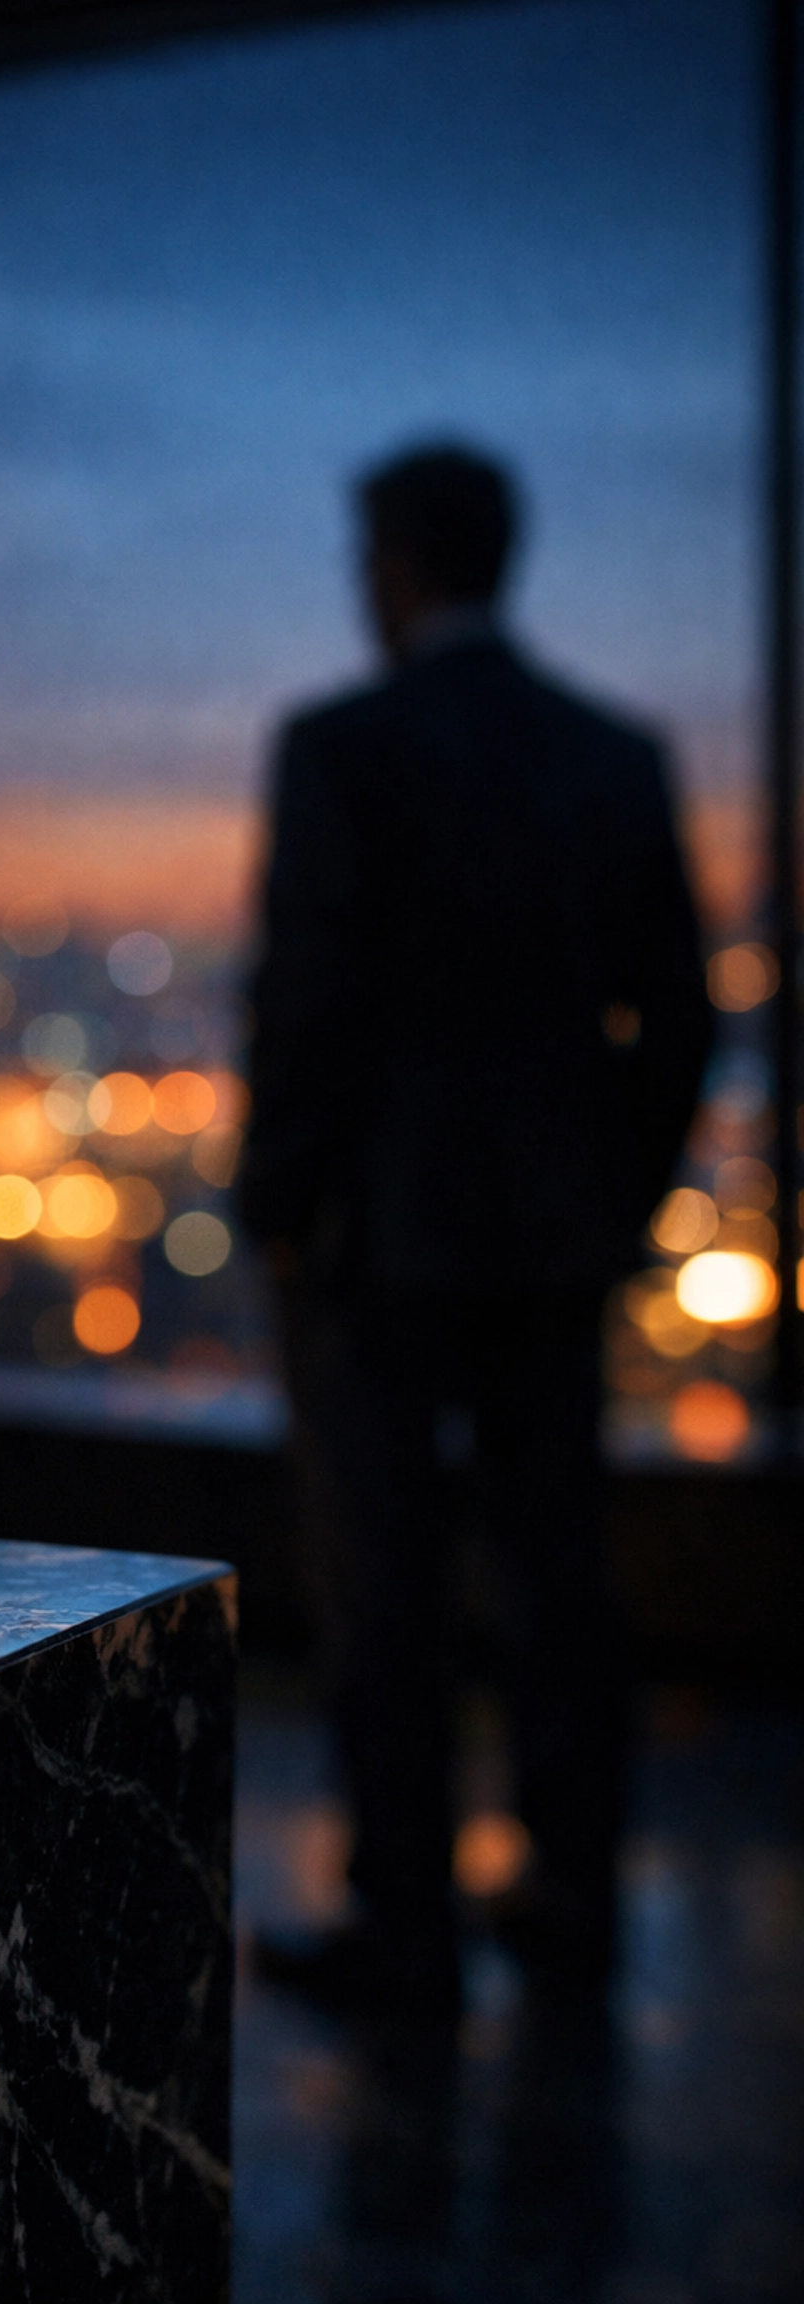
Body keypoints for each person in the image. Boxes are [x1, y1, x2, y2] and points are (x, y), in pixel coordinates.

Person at [241, 443, 711, 2015]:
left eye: (362, 558)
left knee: (388, 1594)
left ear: (397, 564)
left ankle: (408, 1931)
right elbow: (684, 1021)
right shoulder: (613, 754)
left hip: (381, 1246)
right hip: (551, 1248)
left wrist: (281, 1207)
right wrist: (612, 1198)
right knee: (560, 1580)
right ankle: (569, 1900)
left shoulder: (342, 748)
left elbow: (309, 1003)